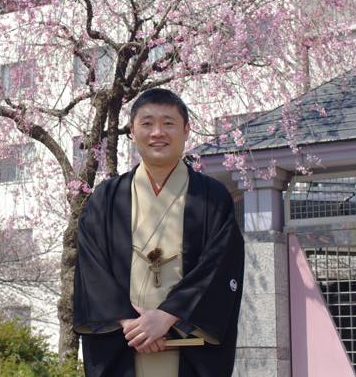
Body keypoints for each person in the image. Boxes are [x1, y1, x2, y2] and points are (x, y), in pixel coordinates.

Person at [73, 88, 244, 377]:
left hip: (188, 346)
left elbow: (220, 265)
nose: (157, 133)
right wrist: (131, 324)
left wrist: (167, 316)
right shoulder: (106, 198)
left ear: (186, 130)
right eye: (147, 123)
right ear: (132, 131)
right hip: (124, 341)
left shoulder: (212, 198)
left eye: (168, 123)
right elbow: (92, 269)